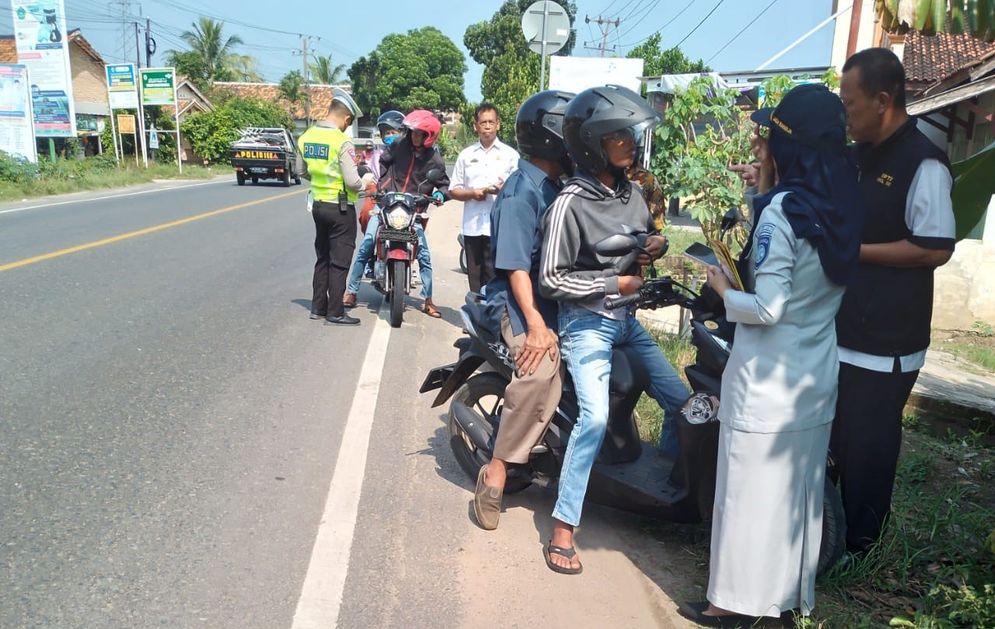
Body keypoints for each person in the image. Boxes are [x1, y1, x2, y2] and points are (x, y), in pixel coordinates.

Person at [677, 83, 864, 627]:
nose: (759, 147)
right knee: (794, 497)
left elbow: (769, 305)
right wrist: (762, 193)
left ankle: (729, 605)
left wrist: (720, 288)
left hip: (765, 377)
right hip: (813, 375)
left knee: (745, 495)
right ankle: (783, 602)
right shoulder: (840, 204)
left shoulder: (782, 212)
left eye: (767, 138)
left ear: (790, 148)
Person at [538, 85, 689, 575]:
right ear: (594, 142)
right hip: (587, 325)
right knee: (595, 419)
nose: (630, 142)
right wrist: (613, 281)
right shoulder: (570, 203)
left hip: (628, 321)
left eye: (630, 133)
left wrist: (657, 246)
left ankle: (668, 493)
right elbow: (551, 277)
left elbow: (646, 235)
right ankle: (564, 526)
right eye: (619, 135)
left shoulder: (632, 193)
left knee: (684, 404)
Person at [830, 48, 955, 555]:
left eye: (851, 104)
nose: (847, 115)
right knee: (836, 442)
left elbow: (934, 246)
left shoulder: (923, 163)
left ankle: (862, 549)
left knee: (869, 450)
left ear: (883, 101)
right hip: (844, 328)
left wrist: (854, 253)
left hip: (887, 342)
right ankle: (827, 536)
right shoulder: (857, 156)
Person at [472, 90, 574, 531]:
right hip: (515, 300)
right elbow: (514, 267)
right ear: (552, 135)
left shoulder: (559, 183)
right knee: (540, 366)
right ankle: (496, 468)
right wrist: (534, 325)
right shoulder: (520, 191)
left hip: (558, 298)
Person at [343, 109, 451, 317]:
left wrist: (438, 197)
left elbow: (444, 185)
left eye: (419, 133)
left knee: (425, 255)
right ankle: (352, 290)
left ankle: (428, 299)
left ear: (429, 136)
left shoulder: (435, 160)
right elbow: (384, 162)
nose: (414, 137)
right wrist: (384, 184)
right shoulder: (400, 145)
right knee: (367, 242)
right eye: (412, 132)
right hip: (387, 205)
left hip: (413, 212)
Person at [299, 89, 370, 326]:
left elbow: (301, 171)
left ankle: (318, 307)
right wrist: (366, 183)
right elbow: (352, 181)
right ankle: (336, 312)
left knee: (323, 257)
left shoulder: (306, 136)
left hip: (318, 205)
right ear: (347, 118)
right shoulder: (342, 141)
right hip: (340, 209)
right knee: (339, 261)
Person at [450, 103, 520, 294]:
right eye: (483, 122)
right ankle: (474, 319)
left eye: (491, 122)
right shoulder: (466, 155)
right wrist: (473, 193)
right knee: (474, 276)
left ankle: (493, 319)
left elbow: (519, 190)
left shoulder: (510, 155)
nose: (487, 126)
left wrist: (502, 190)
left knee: (495, 277)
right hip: (472, 227)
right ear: (476, 126)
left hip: (498, 227)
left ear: (498, 124)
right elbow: (453, 190)